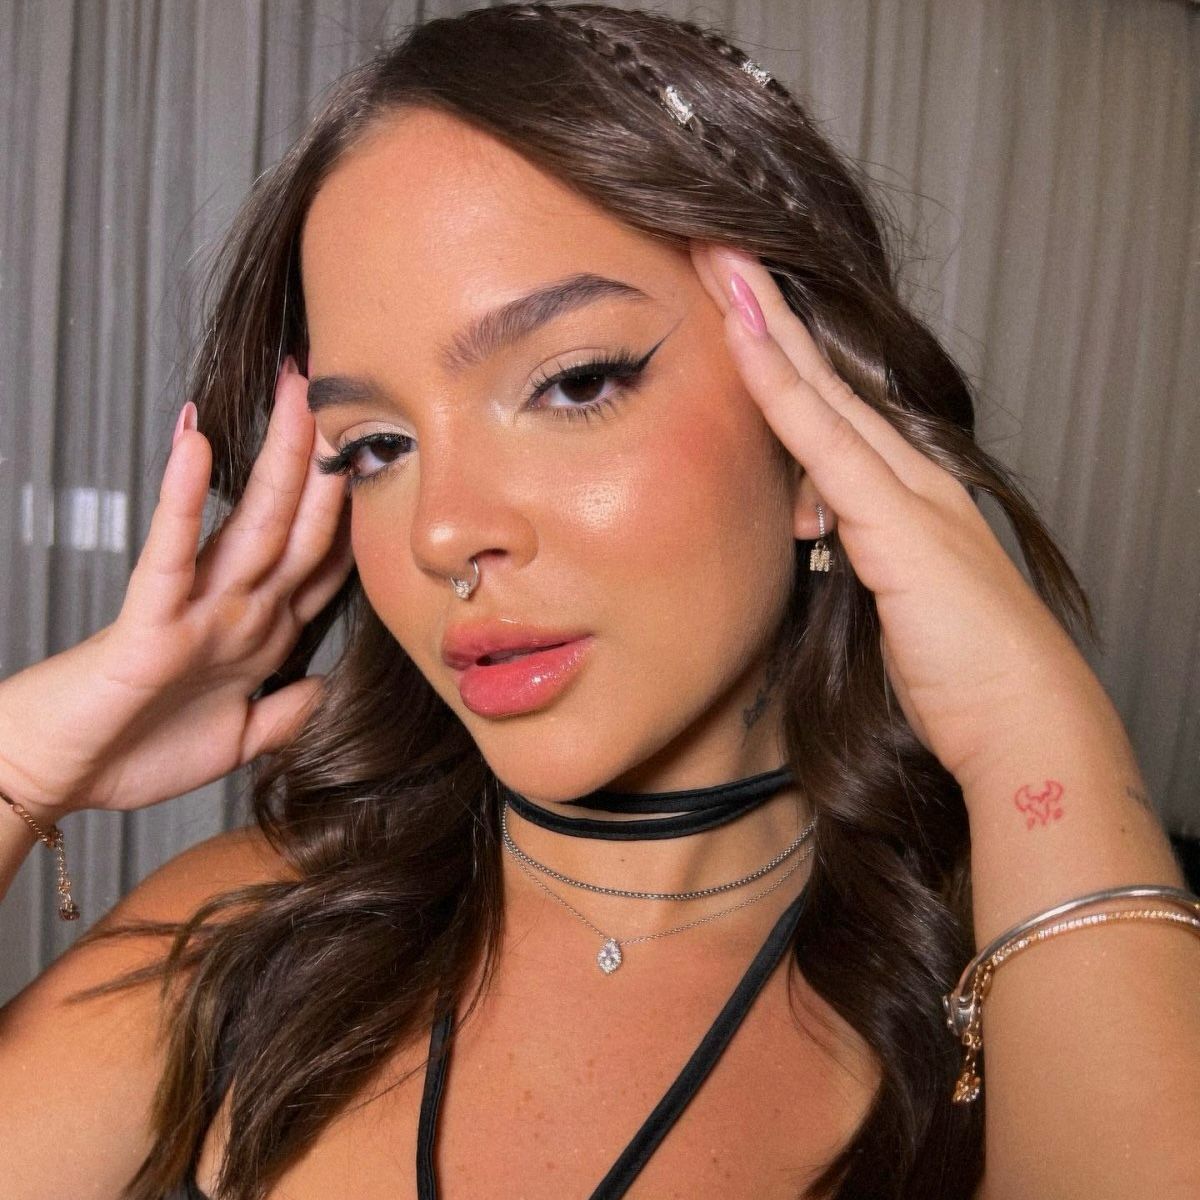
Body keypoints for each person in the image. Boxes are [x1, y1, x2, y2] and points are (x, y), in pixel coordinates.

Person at [0, 5, 1196, 1198]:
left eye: (573, 384)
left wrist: (1035, 734)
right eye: (376, 447)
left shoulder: (1037, 989)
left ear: (813, 436)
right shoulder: (241, 936)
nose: (441, 532)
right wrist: (19, 765)